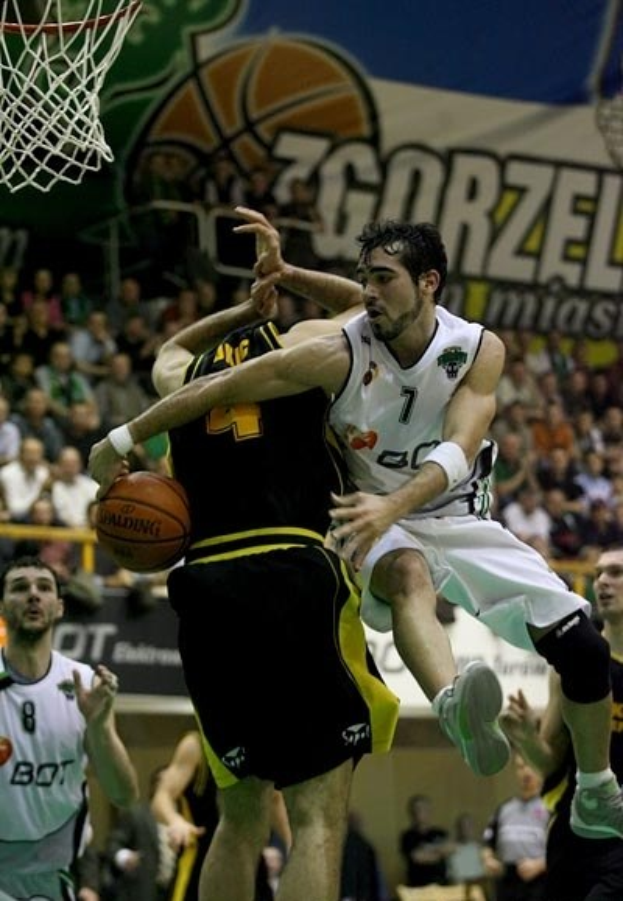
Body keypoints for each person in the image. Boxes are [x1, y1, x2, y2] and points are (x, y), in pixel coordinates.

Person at [89, 207, 623, 842]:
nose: (369, 291)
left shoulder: (477, 348)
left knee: (583, 646)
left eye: (384, 278)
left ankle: (596, 789)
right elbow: (223, 382)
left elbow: (457, 451)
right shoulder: (334, 351)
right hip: (364, 519)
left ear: (429, 282)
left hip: (452, 510)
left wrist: (289, 273)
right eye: (364, 278)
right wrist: (122, 435)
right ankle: (453, 701)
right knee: (407, 575)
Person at [89, 261, 400, 901]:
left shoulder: (182, 376)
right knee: (315, 813)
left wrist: (239, 313)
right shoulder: (302, 343)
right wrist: (285, 277)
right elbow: (367, 303)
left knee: (238, 817)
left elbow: (172, 345)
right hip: (290, 566)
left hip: (205, 583)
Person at [0, 555, 139, 901]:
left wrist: (99, 726)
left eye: (44, 588)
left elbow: (124, 794)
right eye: (20, 588)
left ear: (59, 607)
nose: (33, 595)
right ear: (1, 606)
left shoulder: (86, 684)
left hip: (54, 872)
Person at [502, 545, 623, 901]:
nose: (602, 581)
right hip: (572, 838)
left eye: (616, 573)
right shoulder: (578, 666)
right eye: (599, 572)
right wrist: (526, 737)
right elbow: (548, 762)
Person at [481, 754, 548, 901]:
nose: (526, 772)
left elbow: (566, 850)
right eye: (520, 767)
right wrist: (488, 860)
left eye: (530, 765)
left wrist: (540, 865)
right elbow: (487, 843)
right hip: (507, 884)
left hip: (540, 883)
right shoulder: (504, 809)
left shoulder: (551, 807)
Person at [399, 794, 453, 889]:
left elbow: (451, 849)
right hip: (417, 887)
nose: (419, 812)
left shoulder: (440, 832)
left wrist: (428, 848)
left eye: (423, 809)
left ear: (429, 811)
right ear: (411, 813)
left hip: (441, 885)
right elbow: (418, 857)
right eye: (416, 809)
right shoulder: (407, 836)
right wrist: (439, 852)